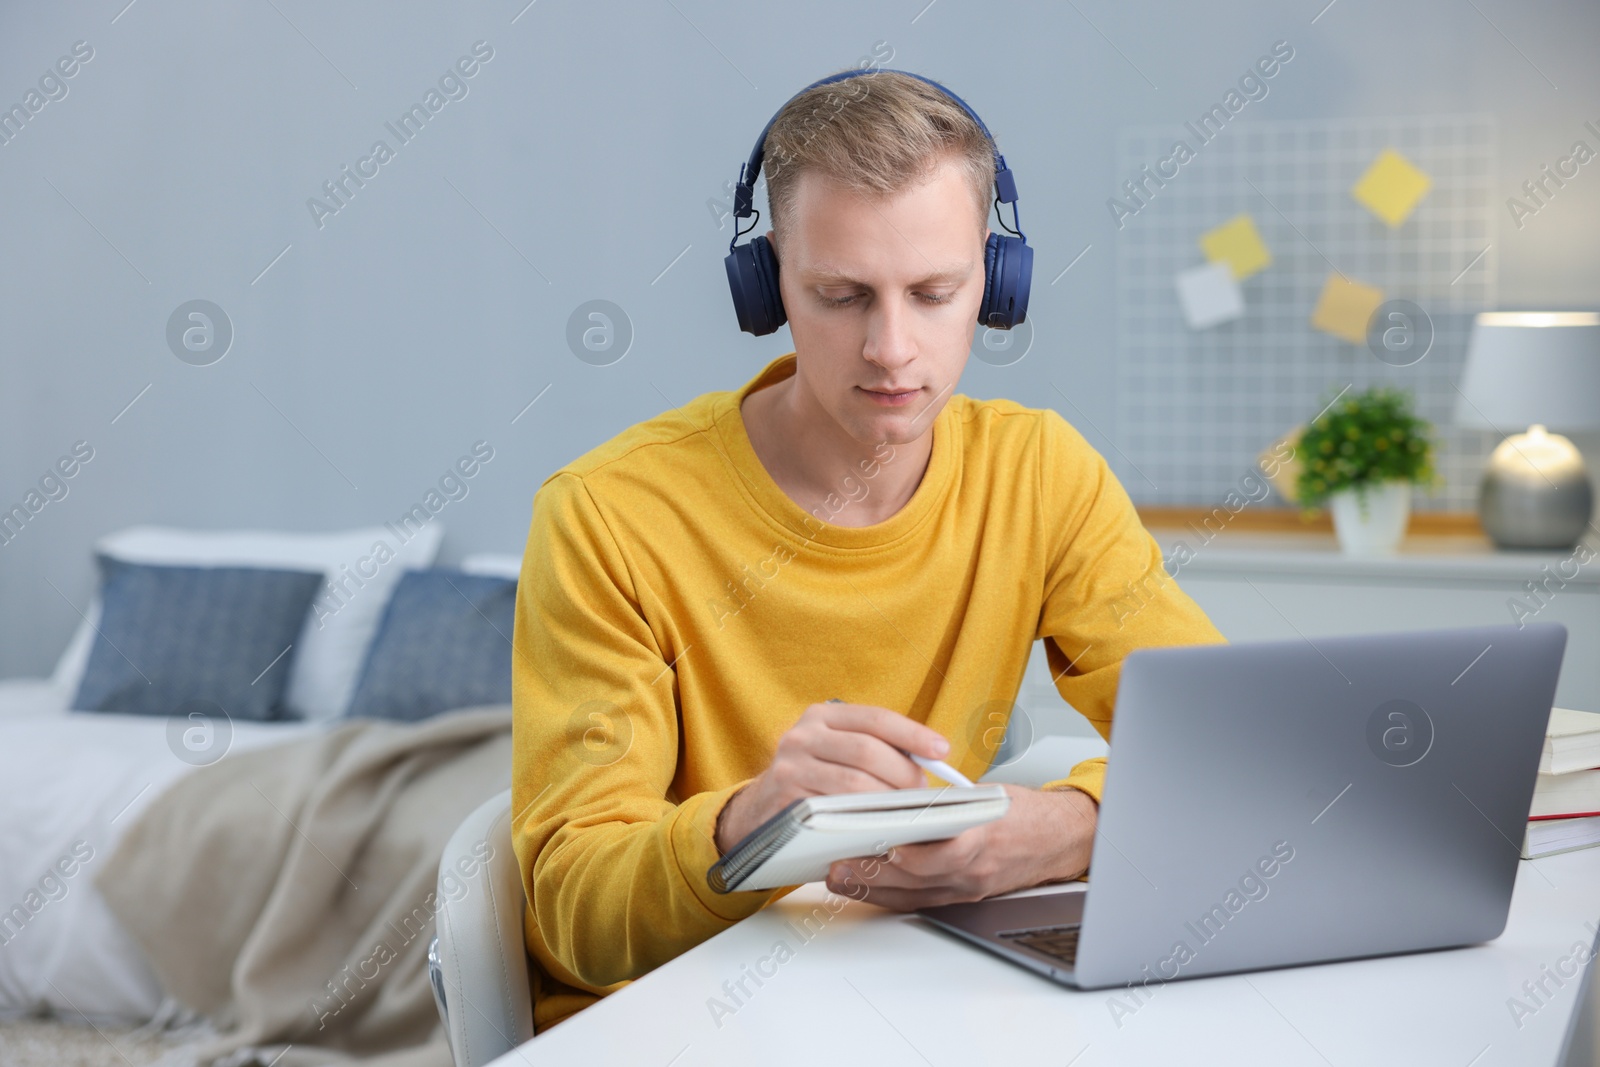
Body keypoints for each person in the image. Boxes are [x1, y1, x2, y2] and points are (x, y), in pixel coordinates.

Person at [510, 69, 1224, 1031]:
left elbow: (1228, 752)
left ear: (997, 282)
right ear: (767, 286)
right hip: (671, 1023)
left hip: (906, 1002)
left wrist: (1062, 828)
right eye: (842, 296)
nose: (893, 348)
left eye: (936, 292)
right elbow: (572, 921)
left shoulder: (1041, 473)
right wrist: (751, 823)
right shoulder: (607, 515)